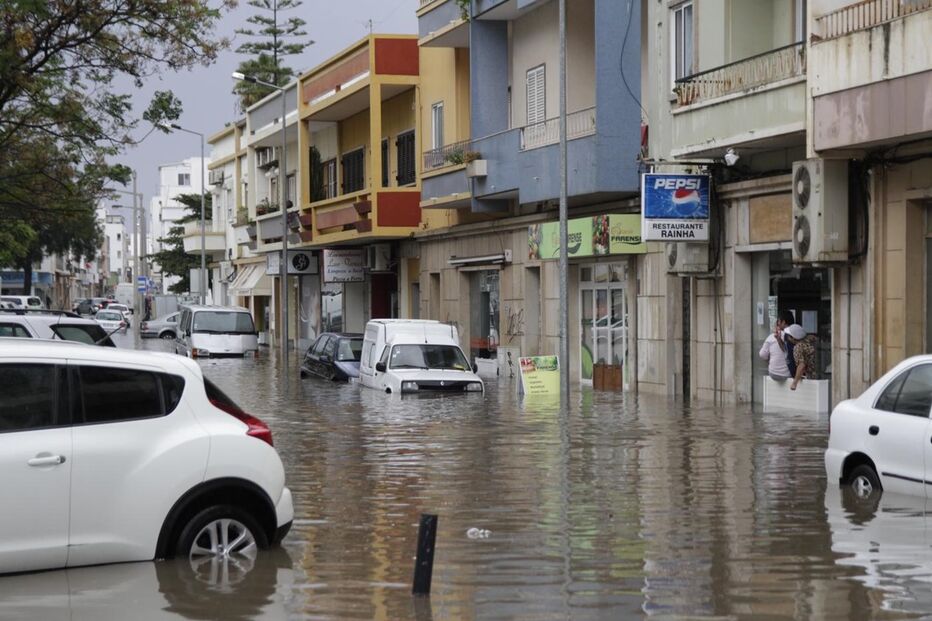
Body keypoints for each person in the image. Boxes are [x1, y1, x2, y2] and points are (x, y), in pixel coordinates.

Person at [759, 310, 795, 380]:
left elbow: (762, 354)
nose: (777, 323)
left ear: (783, 322)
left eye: (778, 321)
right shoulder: (795, 337)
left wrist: (771, 359)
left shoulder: (771, 337)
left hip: (773, 373)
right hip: (788, 374)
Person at [783, 323, 819, 390]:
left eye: (788, 336)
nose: (787, 337)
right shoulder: (811, 338)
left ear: (793, 338)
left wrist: (794, 383)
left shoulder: (798, 348)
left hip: (812, 377)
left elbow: (801, 365)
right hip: (821, 373)